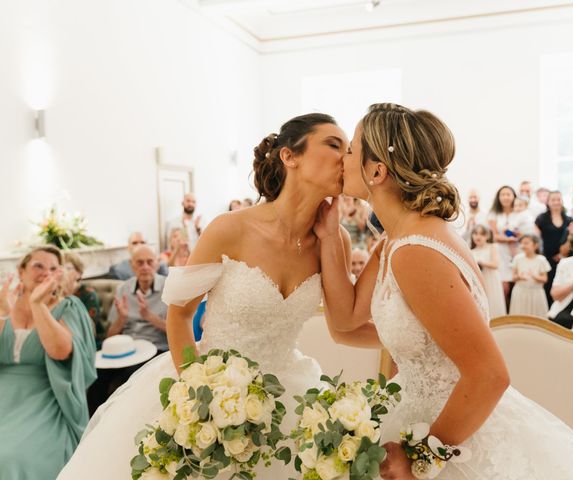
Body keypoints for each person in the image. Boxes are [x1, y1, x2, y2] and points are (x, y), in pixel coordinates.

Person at [315, 103, 573, 479]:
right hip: (417, 413)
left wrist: (420, 459)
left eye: (351, 148)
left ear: (377, 171)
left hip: (454, 434)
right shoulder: (395, 241)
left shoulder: (416, 251)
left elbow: (489, 375)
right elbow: (345, 324)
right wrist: (329, 236)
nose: (343, 159)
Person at [58, 112, 361, 479]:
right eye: (333, 145)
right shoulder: (229, 229)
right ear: (289, 156)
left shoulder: (336, 239)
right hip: (208, 386)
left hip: (289, 397)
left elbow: (344, 320)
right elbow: (180, 316)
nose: (344, 158)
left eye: (348, 150)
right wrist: (198, 396)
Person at [0, 246, 96, 480]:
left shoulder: (69, 306)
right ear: (21, 272)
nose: (46, 272)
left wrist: (38, 305)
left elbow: (60, 351)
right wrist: (3, 312)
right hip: (5, 396)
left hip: (45, 399)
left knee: (11, 456)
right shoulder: (5, 304)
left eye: (53, 268)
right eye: (38, 266)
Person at [487, 185, 526, 302]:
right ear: (498, 197)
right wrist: (507, 239)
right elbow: (492, 235)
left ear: (514, 196)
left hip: (517, 250)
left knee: (518, 282)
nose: (505, 197)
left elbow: (524, 233)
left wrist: (518, 235)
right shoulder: (494, 214)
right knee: (504, 286)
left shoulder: (519, 213)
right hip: (501, 252)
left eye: (508, 194)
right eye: (503, 195)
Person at [535, 190, 573, 304]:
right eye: (553, 199)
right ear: (548, 202)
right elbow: (536, 239)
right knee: (548, 288)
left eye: (558, 199)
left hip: (564, 259)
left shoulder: (569, 219)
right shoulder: (541, 218)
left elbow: (572, 239)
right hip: (546, 259)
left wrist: (562, 254)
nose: (556, 202)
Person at [62, 251, 104, 347]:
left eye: (68, 268)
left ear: (79, 273)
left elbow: (88, 330)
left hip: (90, 344)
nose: (63, 272)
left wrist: (68, 296)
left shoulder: (88, 294)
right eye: (61, 267)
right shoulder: (55, 294)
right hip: (66, 342)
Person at [509, 234, 551, 317]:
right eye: (522, 243)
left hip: (536, 293)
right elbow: (513, 277)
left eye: (526, 243)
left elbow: (545, 279)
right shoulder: (518, 258)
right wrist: (519, 277)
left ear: (535, 245)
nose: (523, 245)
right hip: (520, 292)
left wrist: (535, 276)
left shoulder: (541, 260)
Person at [470, 224, 506, 318]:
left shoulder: (492, 247)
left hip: (491, 278)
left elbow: (495, 264)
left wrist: (480, 262)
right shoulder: (471, 251)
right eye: (476, 234)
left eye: (482, 234)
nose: (478, 237)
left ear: (487, 236)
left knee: (493, 301)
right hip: (479, 280)